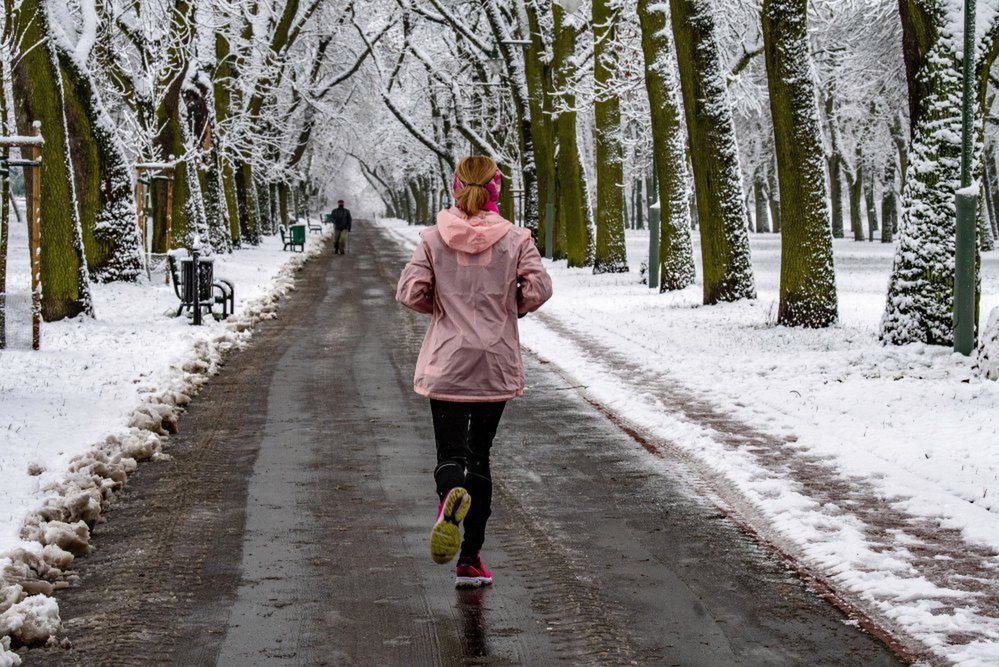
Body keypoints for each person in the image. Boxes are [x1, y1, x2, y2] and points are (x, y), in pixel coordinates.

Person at [396, 156, 553, 589]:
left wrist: (442, 308)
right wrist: (511, 306)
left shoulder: (433, 238)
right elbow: (539, 287)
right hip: (494, 363)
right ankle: (470, 558)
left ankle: (450, 490)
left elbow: (410, 291)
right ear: (496, 189)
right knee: (480, 454)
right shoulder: (516, 239)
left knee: (451, 453)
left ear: (456, 186)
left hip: (447, 362)